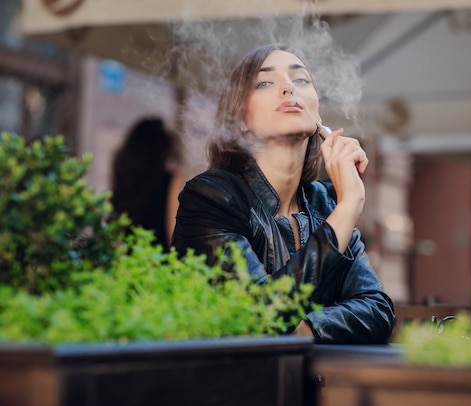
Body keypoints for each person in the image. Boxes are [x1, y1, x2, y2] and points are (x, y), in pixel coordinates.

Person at [172, 44, 395, 344]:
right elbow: (260, 315)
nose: (289, 87)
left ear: (318, 115)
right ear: (240, 119)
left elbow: (377, 310)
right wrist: (349, 206)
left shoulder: (326, 202)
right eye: (265, 82)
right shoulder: (211, 197)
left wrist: (304, 329)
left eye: (300, 80)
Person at [111, 117, 185, 249]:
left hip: (125, 264)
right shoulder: (171, 180)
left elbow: (114, 233)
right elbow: (173, 234)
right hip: (156, 264)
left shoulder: (124, 179)